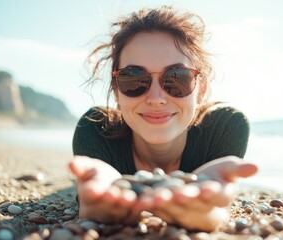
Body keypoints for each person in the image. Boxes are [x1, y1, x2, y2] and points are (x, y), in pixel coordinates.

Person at [68, 5, 258, 232]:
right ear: (116, 89)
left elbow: (219, 201)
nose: (156, 98)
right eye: (133, 79)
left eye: (177, 78)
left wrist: (212, 213)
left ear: (202, 87)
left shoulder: (226, 127)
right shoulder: (96, 128)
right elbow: (93, 193)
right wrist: (94, 200)